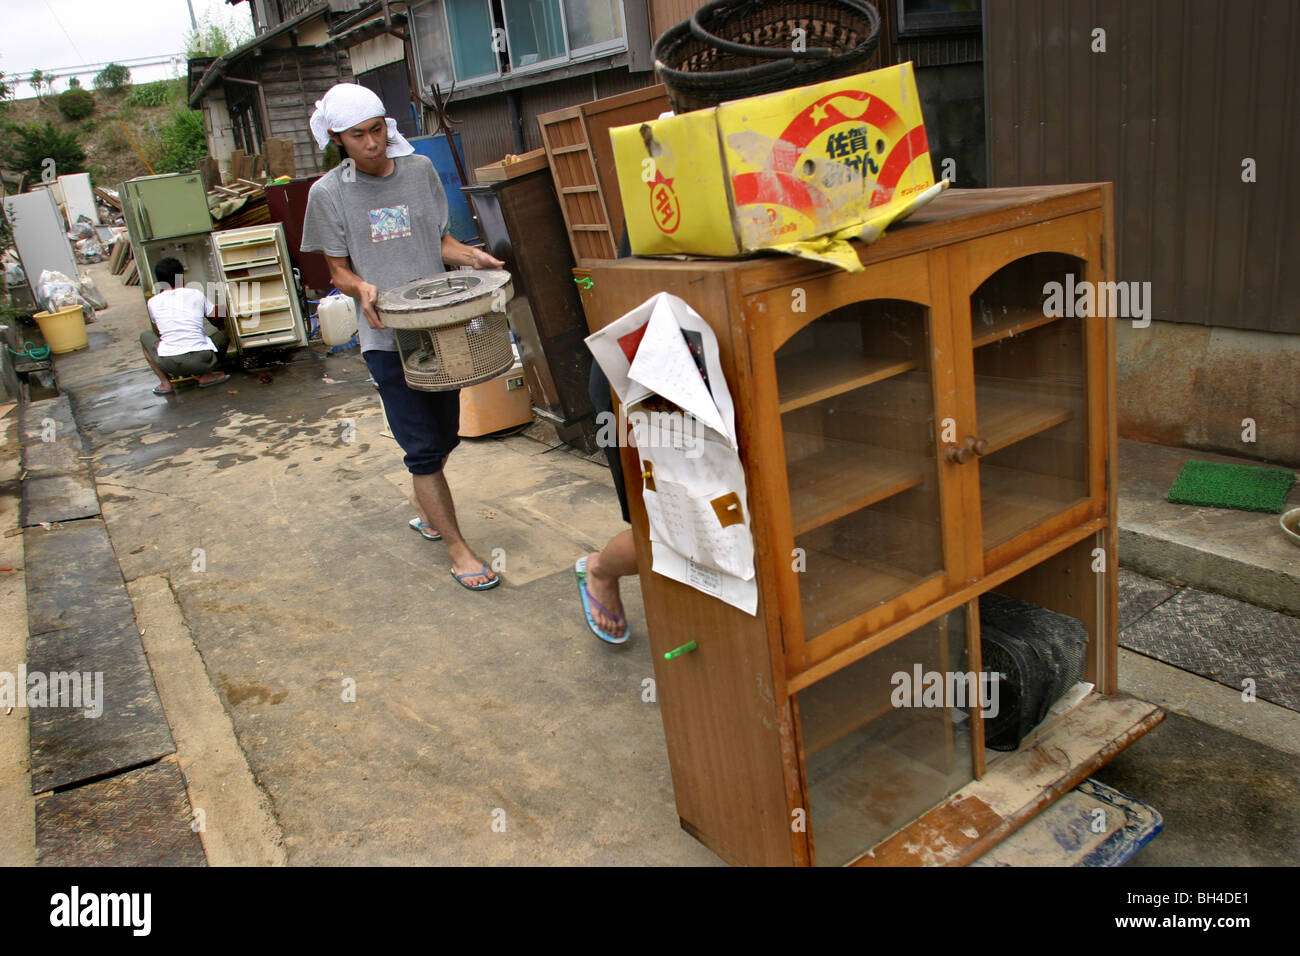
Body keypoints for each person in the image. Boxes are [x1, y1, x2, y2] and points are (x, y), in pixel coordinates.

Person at [300, 83, 505, 592]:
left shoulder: (418, 171)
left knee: (446, 435)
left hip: (442, 328)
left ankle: (422, 497)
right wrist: (360, 286)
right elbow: (336, 271)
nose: (370, 144)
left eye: (376, 131)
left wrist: (473, 257)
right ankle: (458, 547)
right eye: (357, 136)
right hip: (387, 339)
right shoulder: (328, 193)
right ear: (337, 138)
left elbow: (440, 241)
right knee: (423, 450)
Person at [140, 257, 230, 395]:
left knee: (144, 336)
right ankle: (207, 376)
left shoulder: (153, 302)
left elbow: (159, 330)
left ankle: (165, 384)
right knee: (223, 335)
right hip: (202, 360)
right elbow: (216, 317)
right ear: (181, 277)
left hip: (169, 364)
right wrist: (226, 305)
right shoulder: (196, 294)